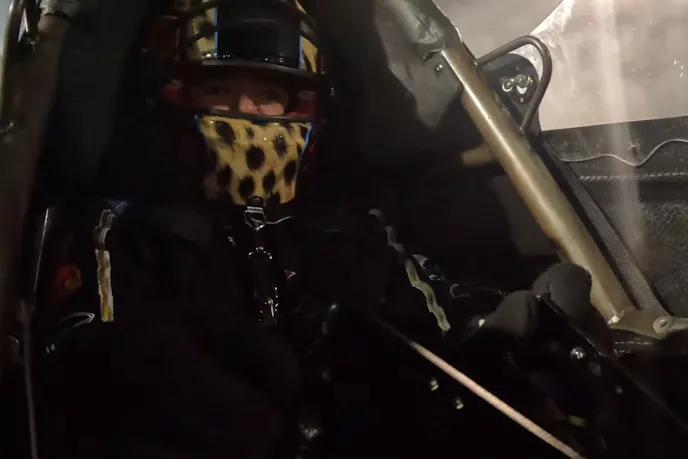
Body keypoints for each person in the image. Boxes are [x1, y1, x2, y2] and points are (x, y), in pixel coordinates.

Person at [31, 1, 494, 458]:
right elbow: (82, 375)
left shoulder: (357, 236)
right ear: (177, 97)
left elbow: (450, 344)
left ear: (304, 108)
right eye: (219, 89)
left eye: (269, 93)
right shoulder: (126, 236)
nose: (245, 110)